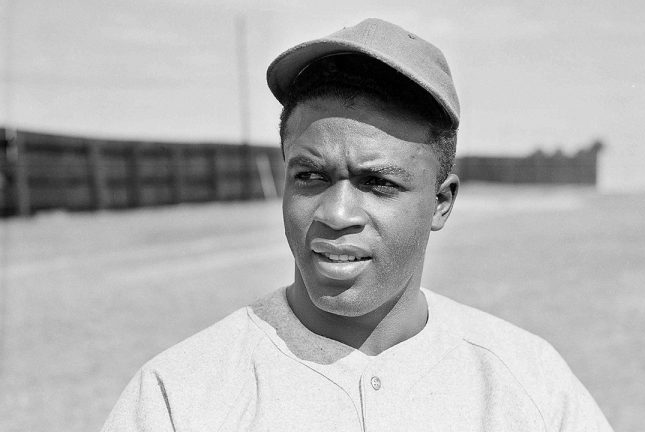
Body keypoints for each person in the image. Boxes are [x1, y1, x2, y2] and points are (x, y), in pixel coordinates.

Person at [102, 18, 614, 431]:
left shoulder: (527, 383)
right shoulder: (180, 396)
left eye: (379, 184)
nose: (335, 214)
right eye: (310, 176)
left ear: (441, 203)